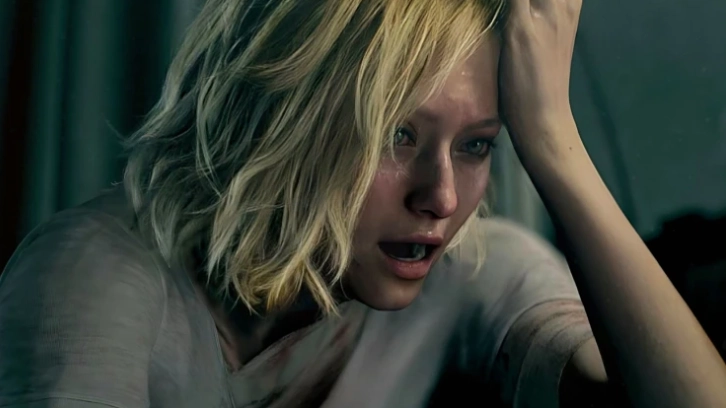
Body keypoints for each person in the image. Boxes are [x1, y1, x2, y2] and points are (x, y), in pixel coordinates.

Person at [1, 0, 725, 407]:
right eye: (396, 135)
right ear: (287, 119)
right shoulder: (95, 277)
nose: (441, 198)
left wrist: (554, 142)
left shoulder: (472, 273)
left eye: (477, 145)